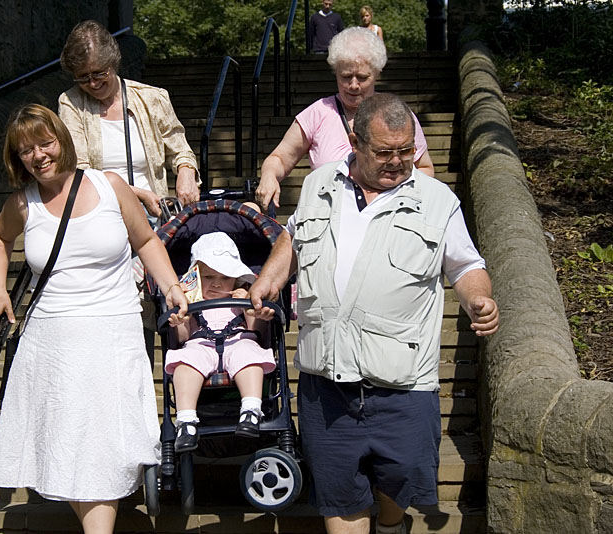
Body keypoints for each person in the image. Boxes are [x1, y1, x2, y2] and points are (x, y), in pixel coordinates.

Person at [248, 94, 499, 534]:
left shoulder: (438, 201)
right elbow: (294, 235)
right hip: (324, 385)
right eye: (384, 152)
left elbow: (465, 265)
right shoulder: (318, 183)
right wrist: (271, 277)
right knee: (341, 501)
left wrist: (480, 299)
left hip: (402, 385)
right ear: (354, 141)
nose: (397, 161)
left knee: (396, 493)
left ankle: (390, 524)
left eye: (406, 150)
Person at [0, 104, 188, 534]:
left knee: (98, 446)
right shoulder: (23, 203)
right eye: (26, 150)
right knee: (70, 445)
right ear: (16, 159)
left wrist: (171, 285)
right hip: (51, 340)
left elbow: (146, 238)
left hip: (112, 333)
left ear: (63, 139)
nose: (38, 155)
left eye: (46, 143)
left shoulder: (109, 184)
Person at [256, 26, 436, 211]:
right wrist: (269, 176)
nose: (354, 85)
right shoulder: (317, 113)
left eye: (362, 77)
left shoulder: (398, 114)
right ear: (335, 72)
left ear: (377, 73)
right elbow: (279, 158)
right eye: (346, 77)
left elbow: (424, 168)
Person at [58, 20, 200, 220]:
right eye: (83, 77)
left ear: (113, 62)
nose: (92, 83)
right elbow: (81, 172)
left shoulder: (152, 98)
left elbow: (180, 150)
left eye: (99, 73)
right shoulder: (70, 103)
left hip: (154, 215)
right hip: (101, 214)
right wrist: (141, 195)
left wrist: (186, 172)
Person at [164, 232, 276, 453]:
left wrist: (250, 307)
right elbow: (184, 338)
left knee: (249, 354)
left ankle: (251, 409)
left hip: (238, 339)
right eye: (208, 278)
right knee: (185, 362)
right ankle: (186, 420)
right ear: (196, 276)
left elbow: (255, 330)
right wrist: (179, 322)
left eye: (225, 278)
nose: (216, 284)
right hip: (200, 343)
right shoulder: (191, 300)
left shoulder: (241, 297)